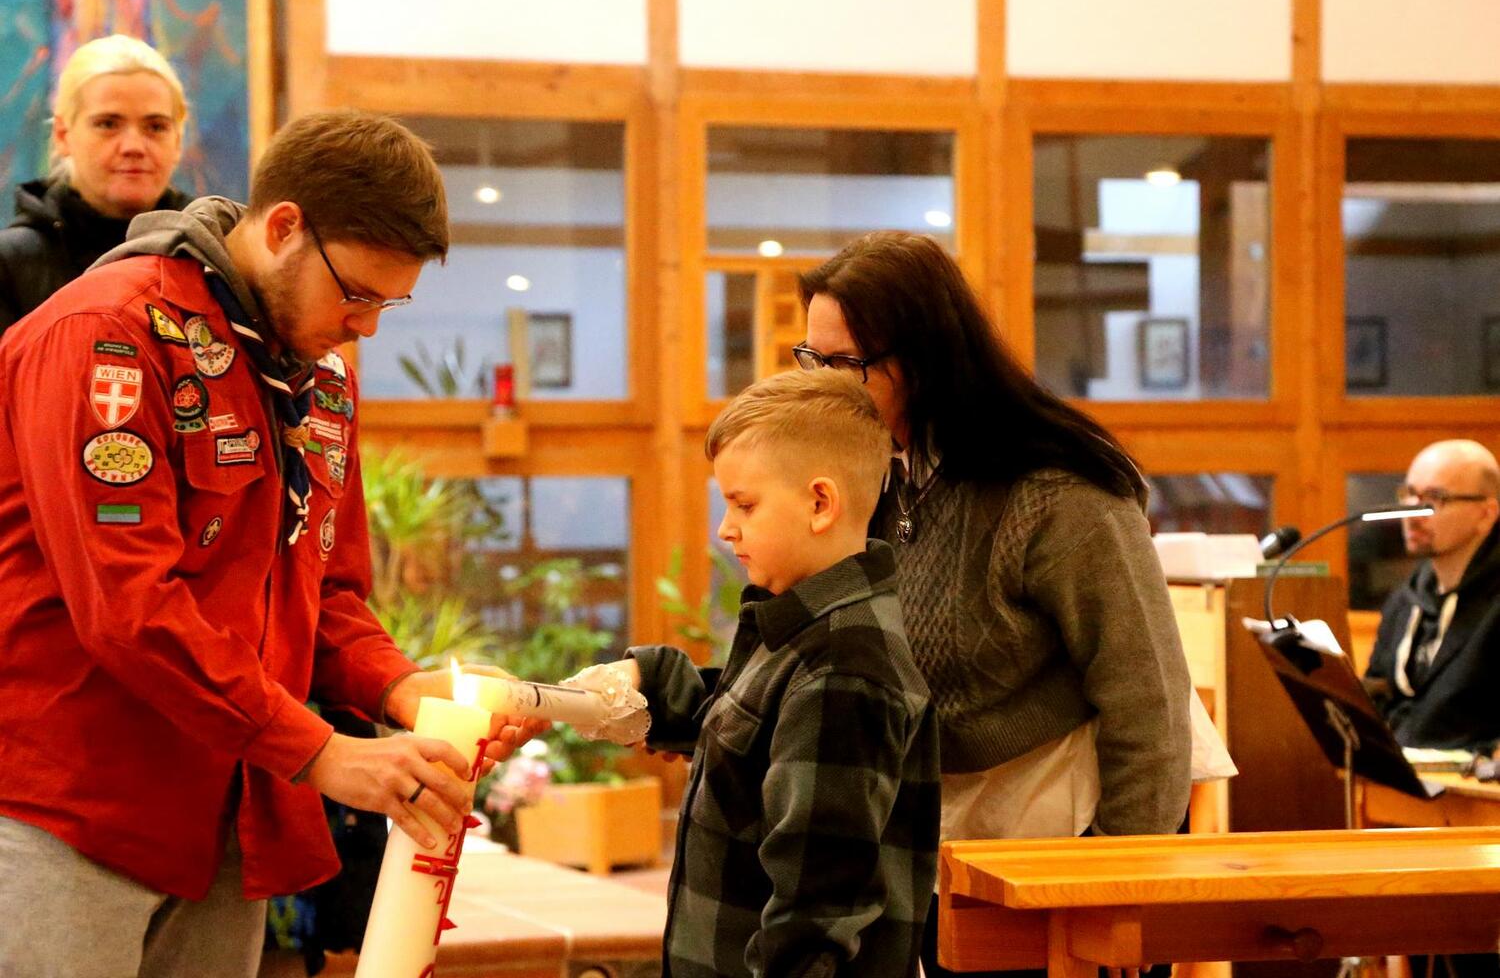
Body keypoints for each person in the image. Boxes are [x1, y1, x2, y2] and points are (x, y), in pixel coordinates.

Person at [0, 109, 535, 978]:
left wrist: (400, 687)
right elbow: (129, 609)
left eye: (388, 302)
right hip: (71, 809)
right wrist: (322, 752)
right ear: (284, 226)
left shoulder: (320, 378)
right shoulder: (108, 334)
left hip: (228, 812)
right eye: (356, 293)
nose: (367, 326)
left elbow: (325, 592)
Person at [796, 230, 1192, 978]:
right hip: (946, 844)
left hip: (1067, 840)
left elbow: (1151, 700)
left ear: (923, 358)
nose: (822, 386)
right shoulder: (876, 474)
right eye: (811, 358)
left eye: (845, 364)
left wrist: (1120, 880)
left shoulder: (1058, 491)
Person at [577, 369, 940, 977]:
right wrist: (646, 685)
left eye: (744, 504)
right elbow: (749, 730)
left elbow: (813, 919)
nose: (726, 528)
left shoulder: (842, 672)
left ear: (820, 504)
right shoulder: (800, 631)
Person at [0, 34, 192, 335]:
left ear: (178, 142)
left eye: (156, 127)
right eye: (108, 124)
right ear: (63, 136)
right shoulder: (11, 265)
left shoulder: (208, 260)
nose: (133, 146)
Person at [1364, 439, 1500, 752]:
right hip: (1401, 770)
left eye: (1435, 498)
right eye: (1409, 494)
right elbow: (1376, 694)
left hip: (1473, 778)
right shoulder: (1405, 599)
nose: (1412, 512)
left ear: (1486, 514)